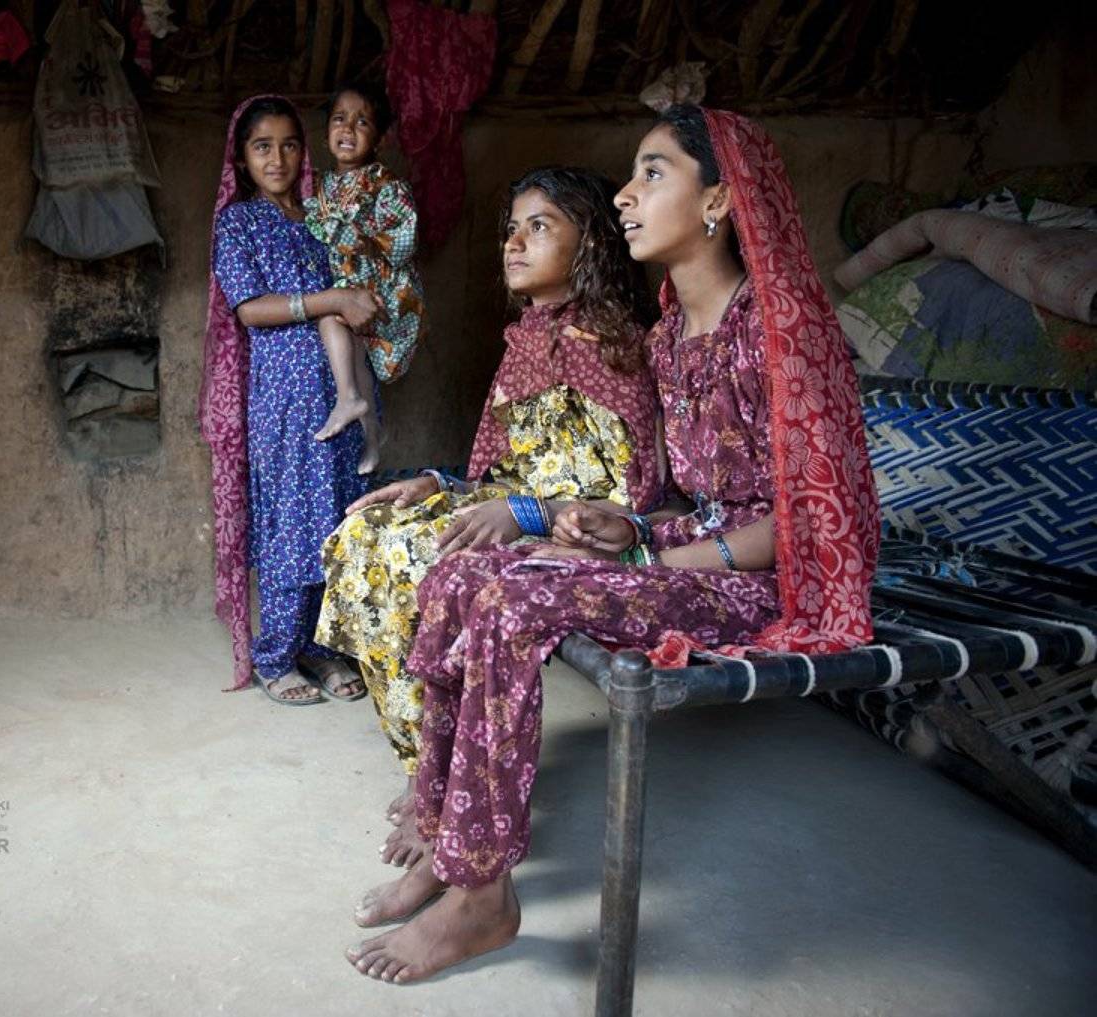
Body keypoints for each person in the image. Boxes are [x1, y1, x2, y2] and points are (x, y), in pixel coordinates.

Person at [345, 105, 880, 983]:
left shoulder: (782, 331)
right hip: (687, 550)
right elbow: (679, 494)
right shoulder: (670, 340)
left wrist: (657, 559)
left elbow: (807, 525)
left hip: (757, 580)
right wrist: (625, 526)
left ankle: (484, 895)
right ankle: (448, 837)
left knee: (513, 599)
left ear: (720, 201)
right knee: (460, 572)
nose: (627, 195)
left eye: (653, 173)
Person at [316, 167, 661, 867]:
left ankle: (452, 786)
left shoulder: (617, 346)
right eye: (512, 227)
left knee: (418, 559)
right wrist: (437, 484)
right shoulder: (528, 339)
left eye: (540, 226)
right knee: (361, 535)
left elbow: (633, 503)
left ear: (591, 243)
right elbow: (498, 475)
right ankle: (427, 768)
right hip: (517, 510)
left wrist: (526, 511)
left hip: (577, 534)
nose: (514, 241)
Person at [202, 95, 380, 705]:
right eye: (261, 146)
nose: (276, 158)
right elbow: (250, 308)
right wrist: (329, 301)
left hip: (344, 388)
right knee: (291, 519)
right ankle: (276, 655)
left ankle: (324, 649)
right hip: (284, 394)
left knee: (339, 516)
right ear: (242, 158)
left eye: (288, 145)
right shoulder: (239, 223)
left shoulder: (324, 218)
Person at [305, 82, 428, 475]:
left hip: (383, 293)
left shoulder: (387, 186)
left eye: (362, 122)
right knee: (349, 346)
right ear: (325, 132)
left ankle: (357, 410)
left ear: (379, 137)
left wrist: (356, 236)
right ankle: (369, 429)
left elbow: (402, 245)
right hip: (348, 293)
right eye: (340, 119)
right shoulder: (319, 186)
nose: (348, 129)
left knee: (339, 321)